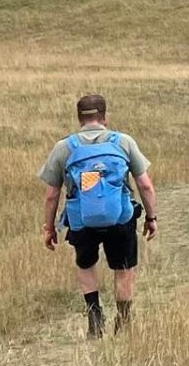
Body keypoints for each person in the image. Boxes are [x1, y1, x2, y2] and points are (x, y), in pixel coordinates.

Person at [38, 94, 158, 339]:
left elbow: (52, 196)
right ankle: (123, 321)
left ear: (79, 118)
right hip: (120, 218)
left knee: (86, 264)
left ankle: (95, 317)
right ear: (105, 117)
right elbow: (145, 185)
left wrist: (49, 228)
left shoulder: (64, 147)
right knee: (124, 267)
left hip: (81, 219)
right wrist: (151, 217)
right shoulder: (123, 142)